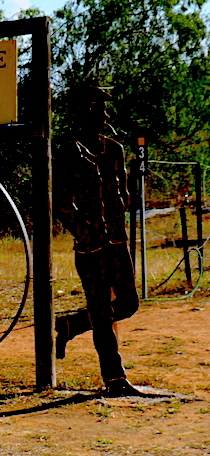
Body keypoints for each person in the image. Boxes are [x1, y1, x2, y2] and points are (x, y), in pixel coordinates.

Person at [53, 85, 146, 397]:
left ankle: (72, 325)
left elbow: (124, 197)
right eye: (97, 109)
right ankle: (115, 378)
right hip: (91, 248)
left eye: (104, 109)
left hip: (118, 245)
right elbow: (62, 202)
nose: (104, 115)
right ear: (83, 113)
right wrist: (85, 232)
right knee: (102, 313)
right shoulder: (69, 151)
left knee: (129, 304)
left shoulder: (115, 151)